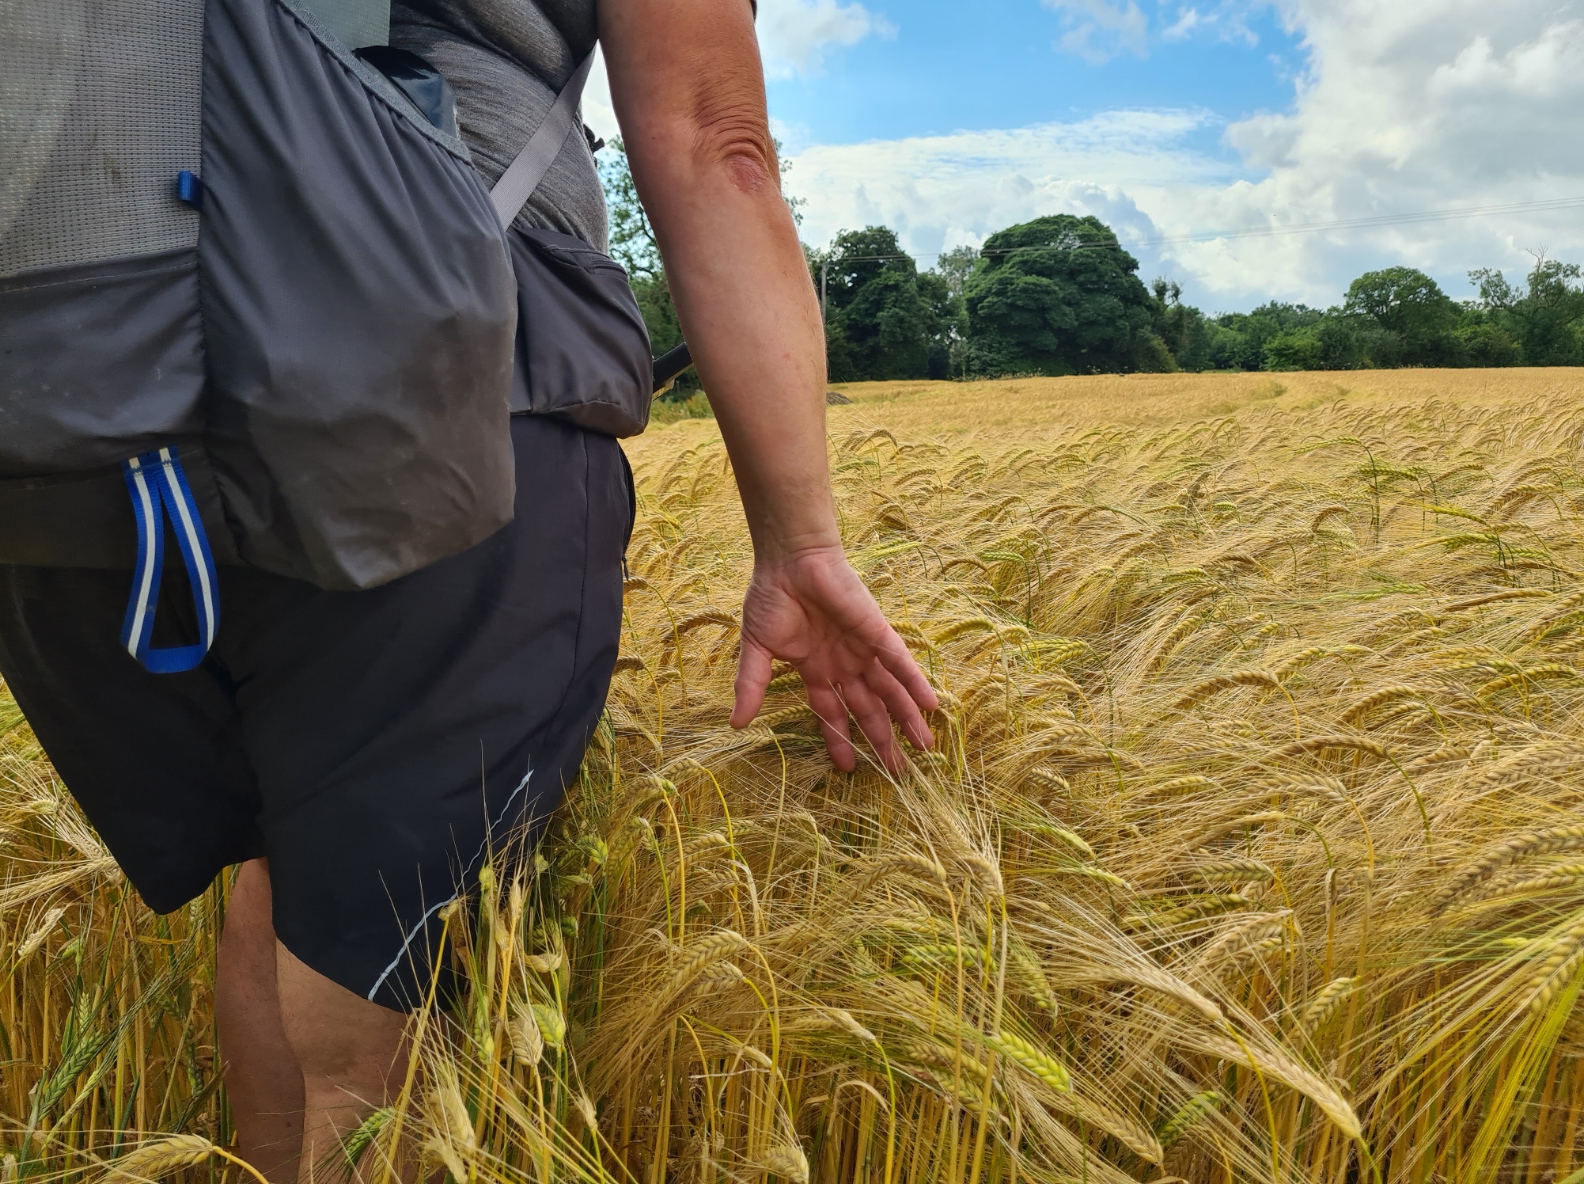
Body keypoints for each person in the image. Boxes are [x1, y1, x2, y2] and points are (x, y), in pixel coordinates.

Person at [0, 1, 938, 1181]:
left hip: (65, 423)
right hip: (436, 405)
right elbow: (714, 142)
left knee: (285, 863)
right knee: (369, 1028)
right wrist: (800, 541)